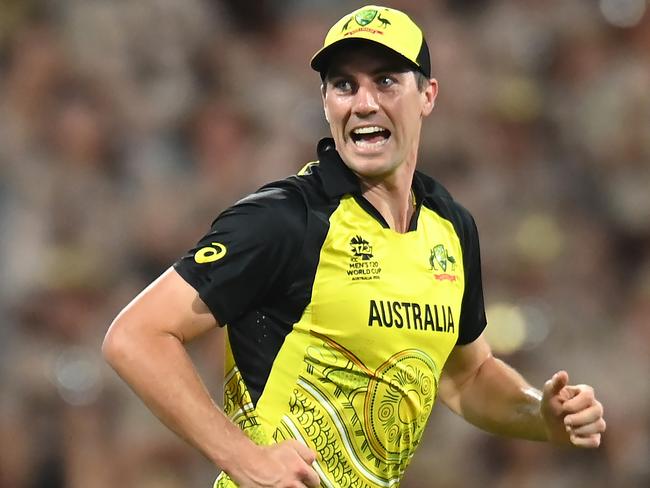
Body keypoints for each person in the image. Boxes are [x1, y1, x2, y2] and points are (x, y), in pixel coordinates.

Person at [102, 5, 606, 487]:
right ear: (326, 103)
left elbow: (467, 375)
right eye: (344, 85)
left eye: (385, 80)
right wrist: (243, 459)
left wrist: (540, 413)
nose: (364, 102)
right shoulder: (284, 219)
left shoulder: (451, 226)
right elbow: (135, 336)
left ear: (428, 95)